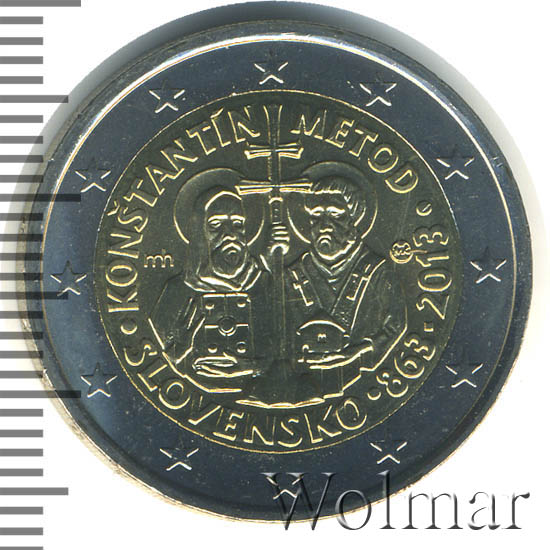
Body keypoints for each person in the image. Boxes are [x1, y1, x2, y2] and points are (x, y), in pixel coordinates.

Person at [282, 161, 407, 402]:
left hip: (360, 387)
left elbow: (395, 326)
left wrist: (357, 352)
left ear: (354, 218)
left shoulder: (378, 271)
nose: (324, 225)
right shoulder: (291, 274)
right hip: (302, 390)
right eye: (316, 215)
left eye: (335, 214)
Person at [149, 168, 274, 395]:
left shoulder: (263, 284)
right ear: (199, 232)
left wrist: (253, 367)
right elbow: (156, 359)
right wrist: (179, 349)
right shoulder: (178, 290)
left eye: (238, 225)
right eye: (216, 225)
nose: (230, 235)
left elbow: (284, 355)